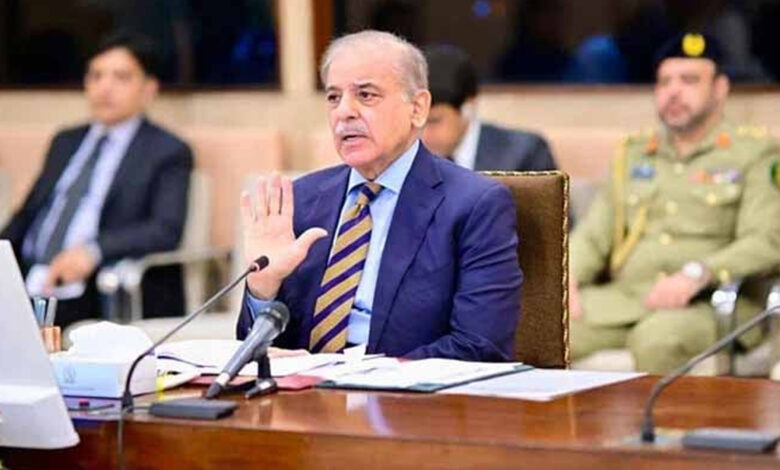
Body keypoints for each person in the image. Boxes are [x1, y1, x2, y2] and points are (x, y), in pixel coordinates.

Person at [236, 31, 522, 361]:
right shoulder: (300, 200)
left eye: (366, 95)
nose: (344, 112)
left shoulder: (474, 205)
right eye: (333, 97)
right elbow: (255, 350)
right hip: (303, 389)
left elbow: (480, 346)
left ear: (418, 108)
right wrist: (263, 288)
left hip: (401, 390)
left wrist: (348, 371)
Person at [569, 32, 780, 373]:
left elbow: (767, 241)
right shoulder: (635, 153)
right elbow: (594, 233)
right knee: (539, 328)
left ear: (720, 89)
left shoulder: (755, 153)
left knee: (657, 340)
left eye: (689, 80)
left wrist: (697, 273)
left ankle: (663, 416)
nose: (674, 91)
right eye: (665, 81)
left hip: (707, 302)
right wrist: (567, 277)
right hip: (629, 298)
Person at [2, 32, 193, 328]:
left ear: (149, 90)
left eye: (121, 77)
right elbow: (29, 214)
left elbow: (164, 229)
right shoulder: (65, 141)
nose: (105, 87)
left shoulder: (166, 151)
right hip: (27, 276)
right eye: (96, 76)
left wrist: (94, 251)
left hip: (95, 286)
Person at [422, 44, 557, 172]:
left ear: (467, 108)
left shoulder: (525, 153)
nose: (424, 135)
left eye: (433, 121)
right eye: (417, 122)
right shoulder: (411, 157)